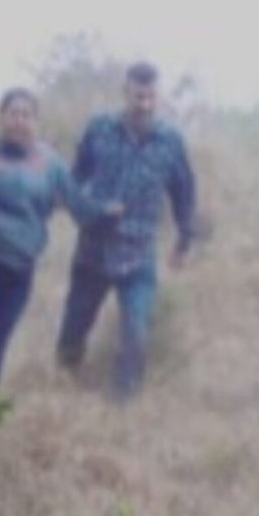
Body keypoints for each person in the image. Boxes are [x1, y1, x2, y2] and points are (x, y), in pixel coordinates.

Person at [0, 88, 122, 385]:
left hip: (20, 266)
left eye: (26, 115)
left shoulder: (51, 164)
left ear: (36, 122)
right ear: (0, 118)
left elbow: (78, 206)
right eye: (13, 114)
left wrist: (106, 212)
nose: (19, 121)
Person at [55, 61, 196, 400]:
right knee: (74, 329)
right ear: (125, 92)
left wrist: (183, 240)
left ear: (158, 97)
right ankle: (61, 388)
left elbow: (184, 191)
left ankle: (123, 404)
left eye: (150, 97)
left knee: (136, 332)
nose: (144, 105)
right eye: (138, 96)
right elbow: (74, 181)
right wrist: (89, 210)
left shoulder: (171, 141)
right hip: (93, 250)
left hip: (138, 254)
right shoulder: (99, 129)